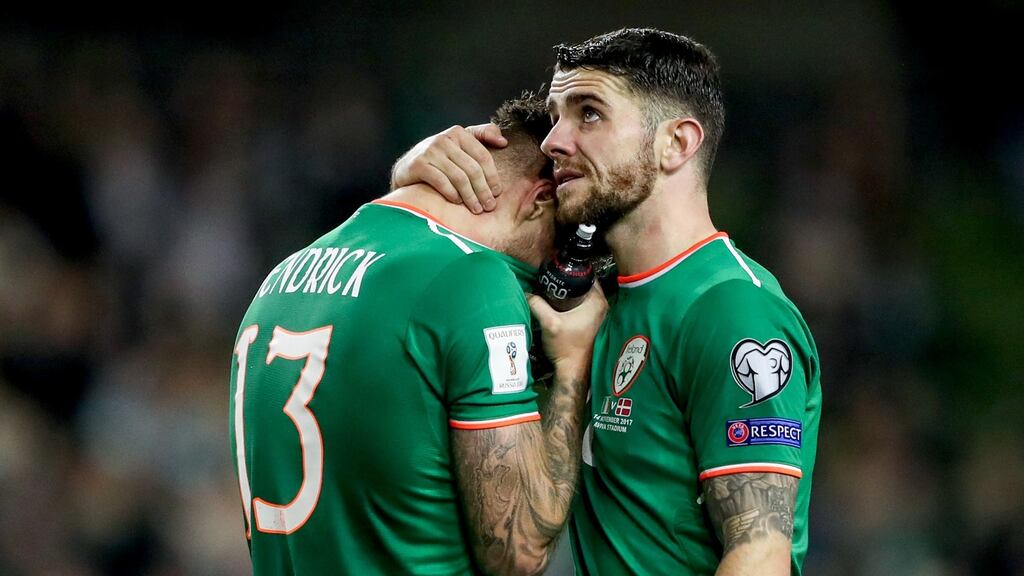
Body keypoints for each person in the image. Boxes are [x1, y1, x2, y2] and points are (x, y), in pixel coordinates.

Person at [391, 28, 822, 576]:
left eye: (589, 113)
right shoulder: (590, 298)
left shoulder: (731, 309)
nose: (553, 142)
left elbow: (759, 553)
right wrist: (411, 171)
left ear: (677, 144)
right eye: (555, 116)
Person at [229, 94, 606, 575]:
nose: (542, 283)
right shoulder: (475, 279)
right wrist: (574, 366)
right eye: (555, 252)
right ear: (540, 199)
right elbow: (518, 550)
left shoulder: (282, 276)